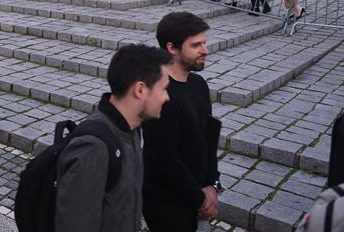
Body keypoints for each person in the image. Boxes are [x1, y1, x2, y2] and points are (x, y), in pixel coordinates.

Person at [55, 44, 172, 232]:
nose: (167, 97)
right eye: (164, 88)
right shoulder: (93, 147)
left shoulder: (132, 128)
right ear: (140, 89)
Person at [143, 12, 221, 232]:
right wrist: (201, 199)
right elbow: (165, 159)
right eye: (196, 45)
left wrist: (213, 185)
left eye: (204, 43)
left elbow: (208, 140)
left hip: (200, 197)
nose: (205, 50)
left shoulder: (199, 84)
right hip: (168, 205)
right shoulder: (159, 94)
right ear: (172, 48)